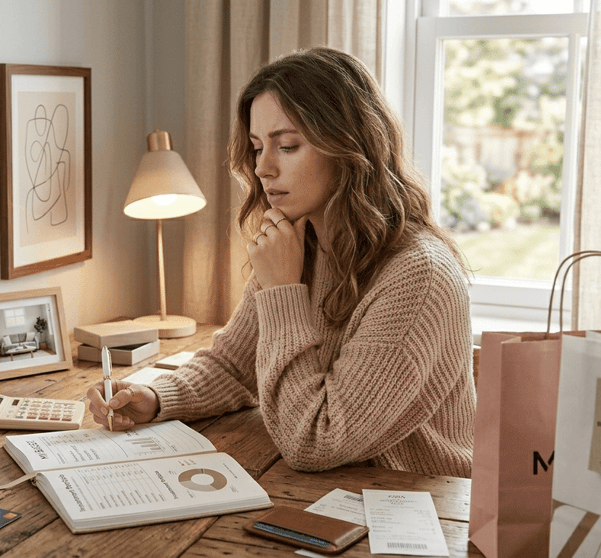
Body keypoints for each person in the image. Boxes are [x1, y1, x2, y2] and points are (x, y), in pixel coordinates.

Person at [87, 47, 475, 478]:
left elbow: (315, 440)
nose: (263, 168)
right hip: (327, 492)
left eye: (287, 146)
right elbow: (235, 365)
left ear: (349, 147)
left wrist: (283, 292)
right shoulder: (301, 242)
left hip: (419, 504)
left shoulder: (419, 277)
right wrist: (156, 397)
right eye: (257, 147)